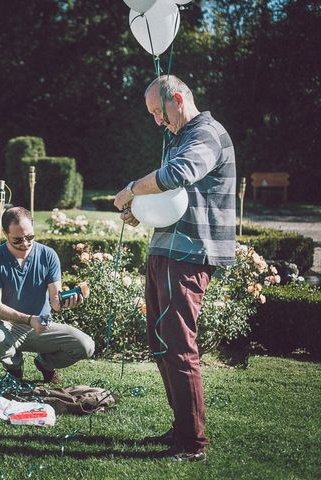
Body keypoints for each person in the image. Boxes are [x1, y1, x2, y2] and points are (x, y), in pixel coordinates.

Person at [114, 75, 236, 462]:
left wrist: (132, 189)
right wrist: (140, 211)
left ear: (178, 99)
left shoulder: (206, 134)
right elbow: (172, 196)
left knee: (179, 344)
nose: (157, 122)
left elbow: (177, 175)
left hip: (190, 254)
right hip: (166, 247)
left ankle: (193, 442)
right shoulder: (181, 136)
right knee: (160, 340)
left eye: (157, 112)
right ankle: (182, 425)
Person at [0, 206, 95, 384]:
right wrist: (28, 319)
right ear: (5, 233)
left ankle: (45, 364)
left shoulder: (48, 255)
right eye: (17, 240)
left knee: (86, 346)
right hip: (9, 326)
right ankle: (14, 368)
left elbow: (55, 301)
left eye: (30, 237)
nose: (25, 243)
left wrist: (66, 303)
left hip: (43, 325)